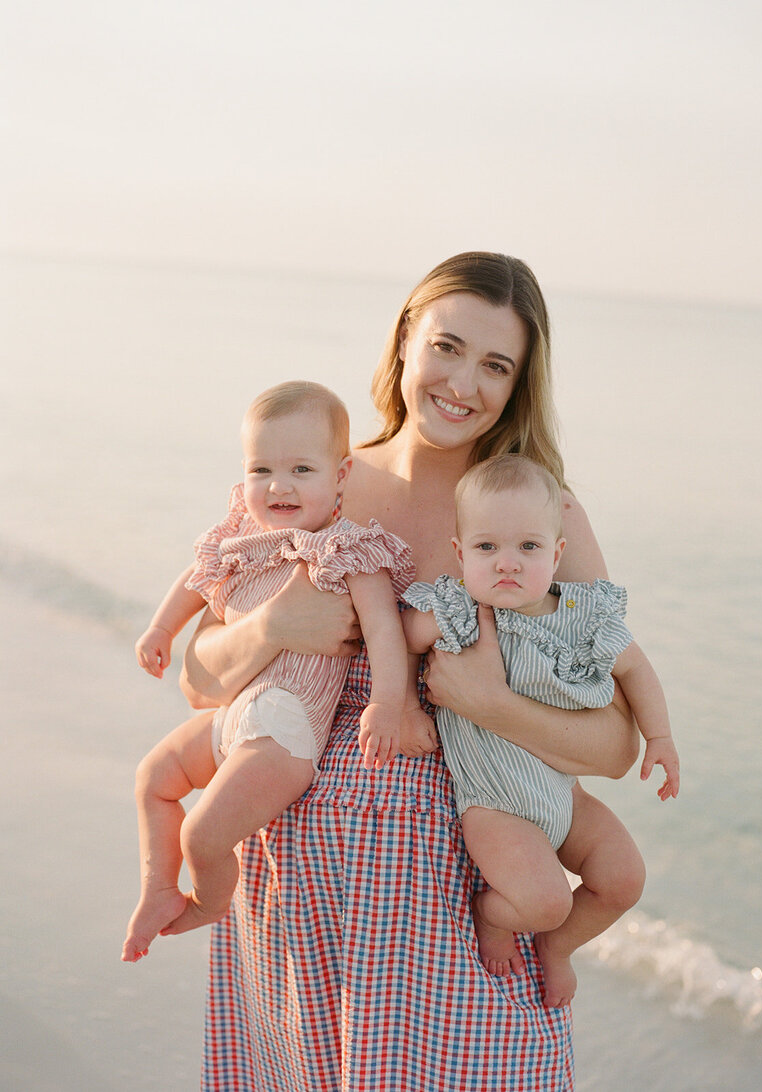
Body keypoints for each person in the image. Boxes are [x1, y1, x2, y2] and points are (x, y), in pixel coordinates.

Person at [181, 252, 641, 1091]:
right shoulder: (318, 479)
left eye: (496, 365)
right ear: (405, 341)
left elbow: (615, 745)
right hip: (301, 889)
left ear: (519, 384)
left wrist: (491, 703)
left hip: (465, 897)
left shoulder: (535, 514)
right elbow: (201, 680)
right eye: (449, 347)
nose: (463, 383)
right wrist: (275, 625)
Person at [122, 381, 414, 963]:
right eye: (261, 469)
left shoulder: (348, 549)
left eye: (301, 468)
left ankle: (209, 900)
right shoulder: (243, 537)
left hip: (286, 730)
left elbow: (385, 631)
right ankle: (157, 888)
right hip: (236, 713)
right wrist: (161, 629)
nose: (278, 486)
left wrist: (389, 702)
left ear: (341, 476)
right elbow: (194, 578)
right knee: (154, 777)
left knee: (202, 834)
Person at [403, 453, 679, 1005]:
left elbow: (636, 668)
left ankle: (559, 947)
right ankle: (491, 912)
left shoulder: (581, 617)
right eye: (487, 548)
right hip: (495, 805)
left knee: (624, 879)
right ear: (461, 555)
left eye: (527, 548)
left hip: (564, 795)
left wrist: (662, 739)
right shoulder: (458, 610)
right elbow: (400, 634)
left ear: (557, 554)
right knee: (544, 900)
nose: (507, 563)